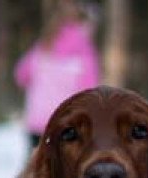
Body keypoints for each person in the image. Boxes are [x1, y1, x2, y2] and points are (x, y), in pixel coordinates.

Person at [14, 0, 100, 150]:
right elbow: (89, 90)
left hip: (37, 121)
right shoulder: (85, 51)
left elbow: (21, 76)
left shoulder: (43, 45)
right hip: (66, 123)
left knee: (37, 163)